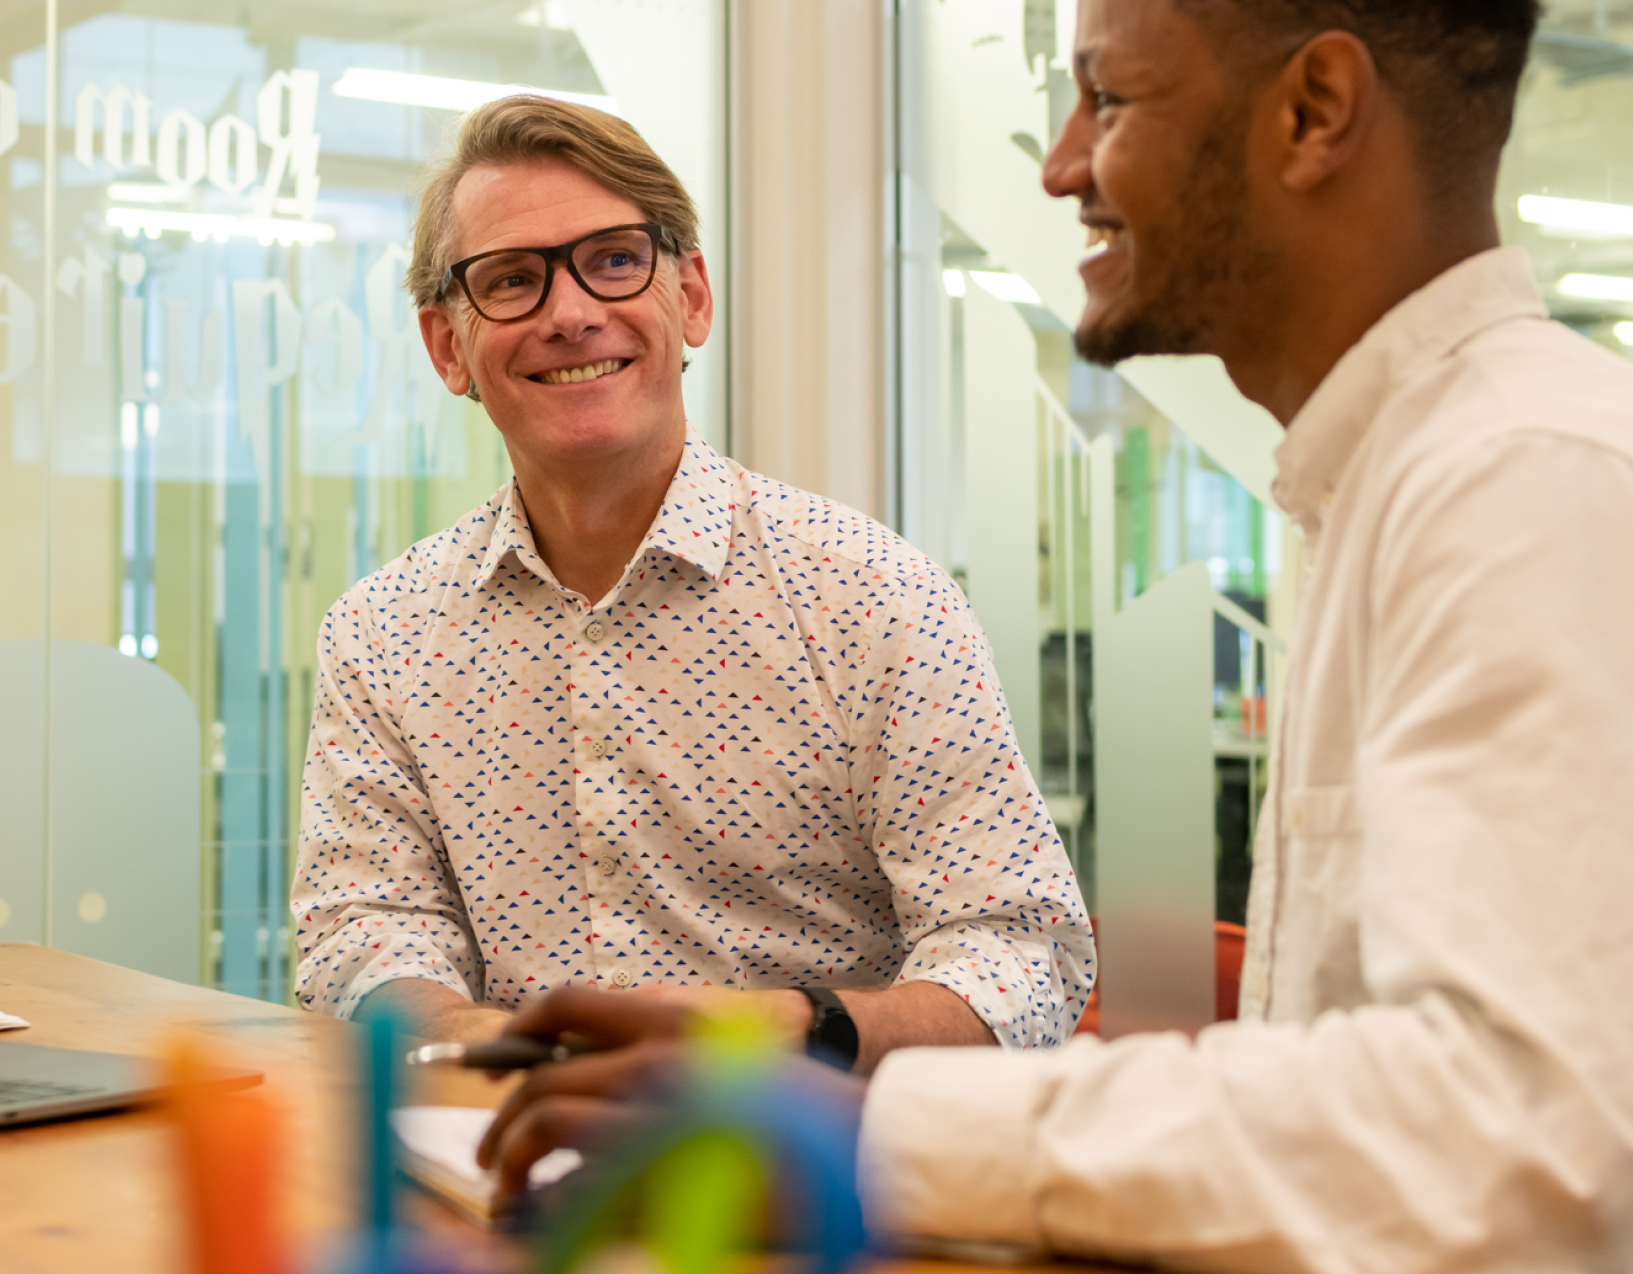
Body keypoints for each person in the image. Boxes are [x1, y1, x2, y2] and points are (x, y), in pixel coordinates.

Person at [477, 0, 1633, 1272]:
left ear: (1314, 111)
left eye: (1108, 98)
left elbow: (1496, 1154)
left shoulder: (1541, 490)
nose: (1061, 168)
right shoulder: (1412, 480)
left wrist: (858, 1131)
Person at [291, 95, 1094, 1069]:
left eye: (616, 260)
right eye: (511, 281)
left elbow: (1022, 949)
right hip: (500, 1160)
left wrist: (788, 1035)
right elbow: (360, 927)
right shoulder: (383, 637)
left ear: (694, 298)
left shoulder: (874, 600)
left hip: (805, 1182)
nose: (572, 313)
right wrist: (483, 1042)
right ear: (447, 347)